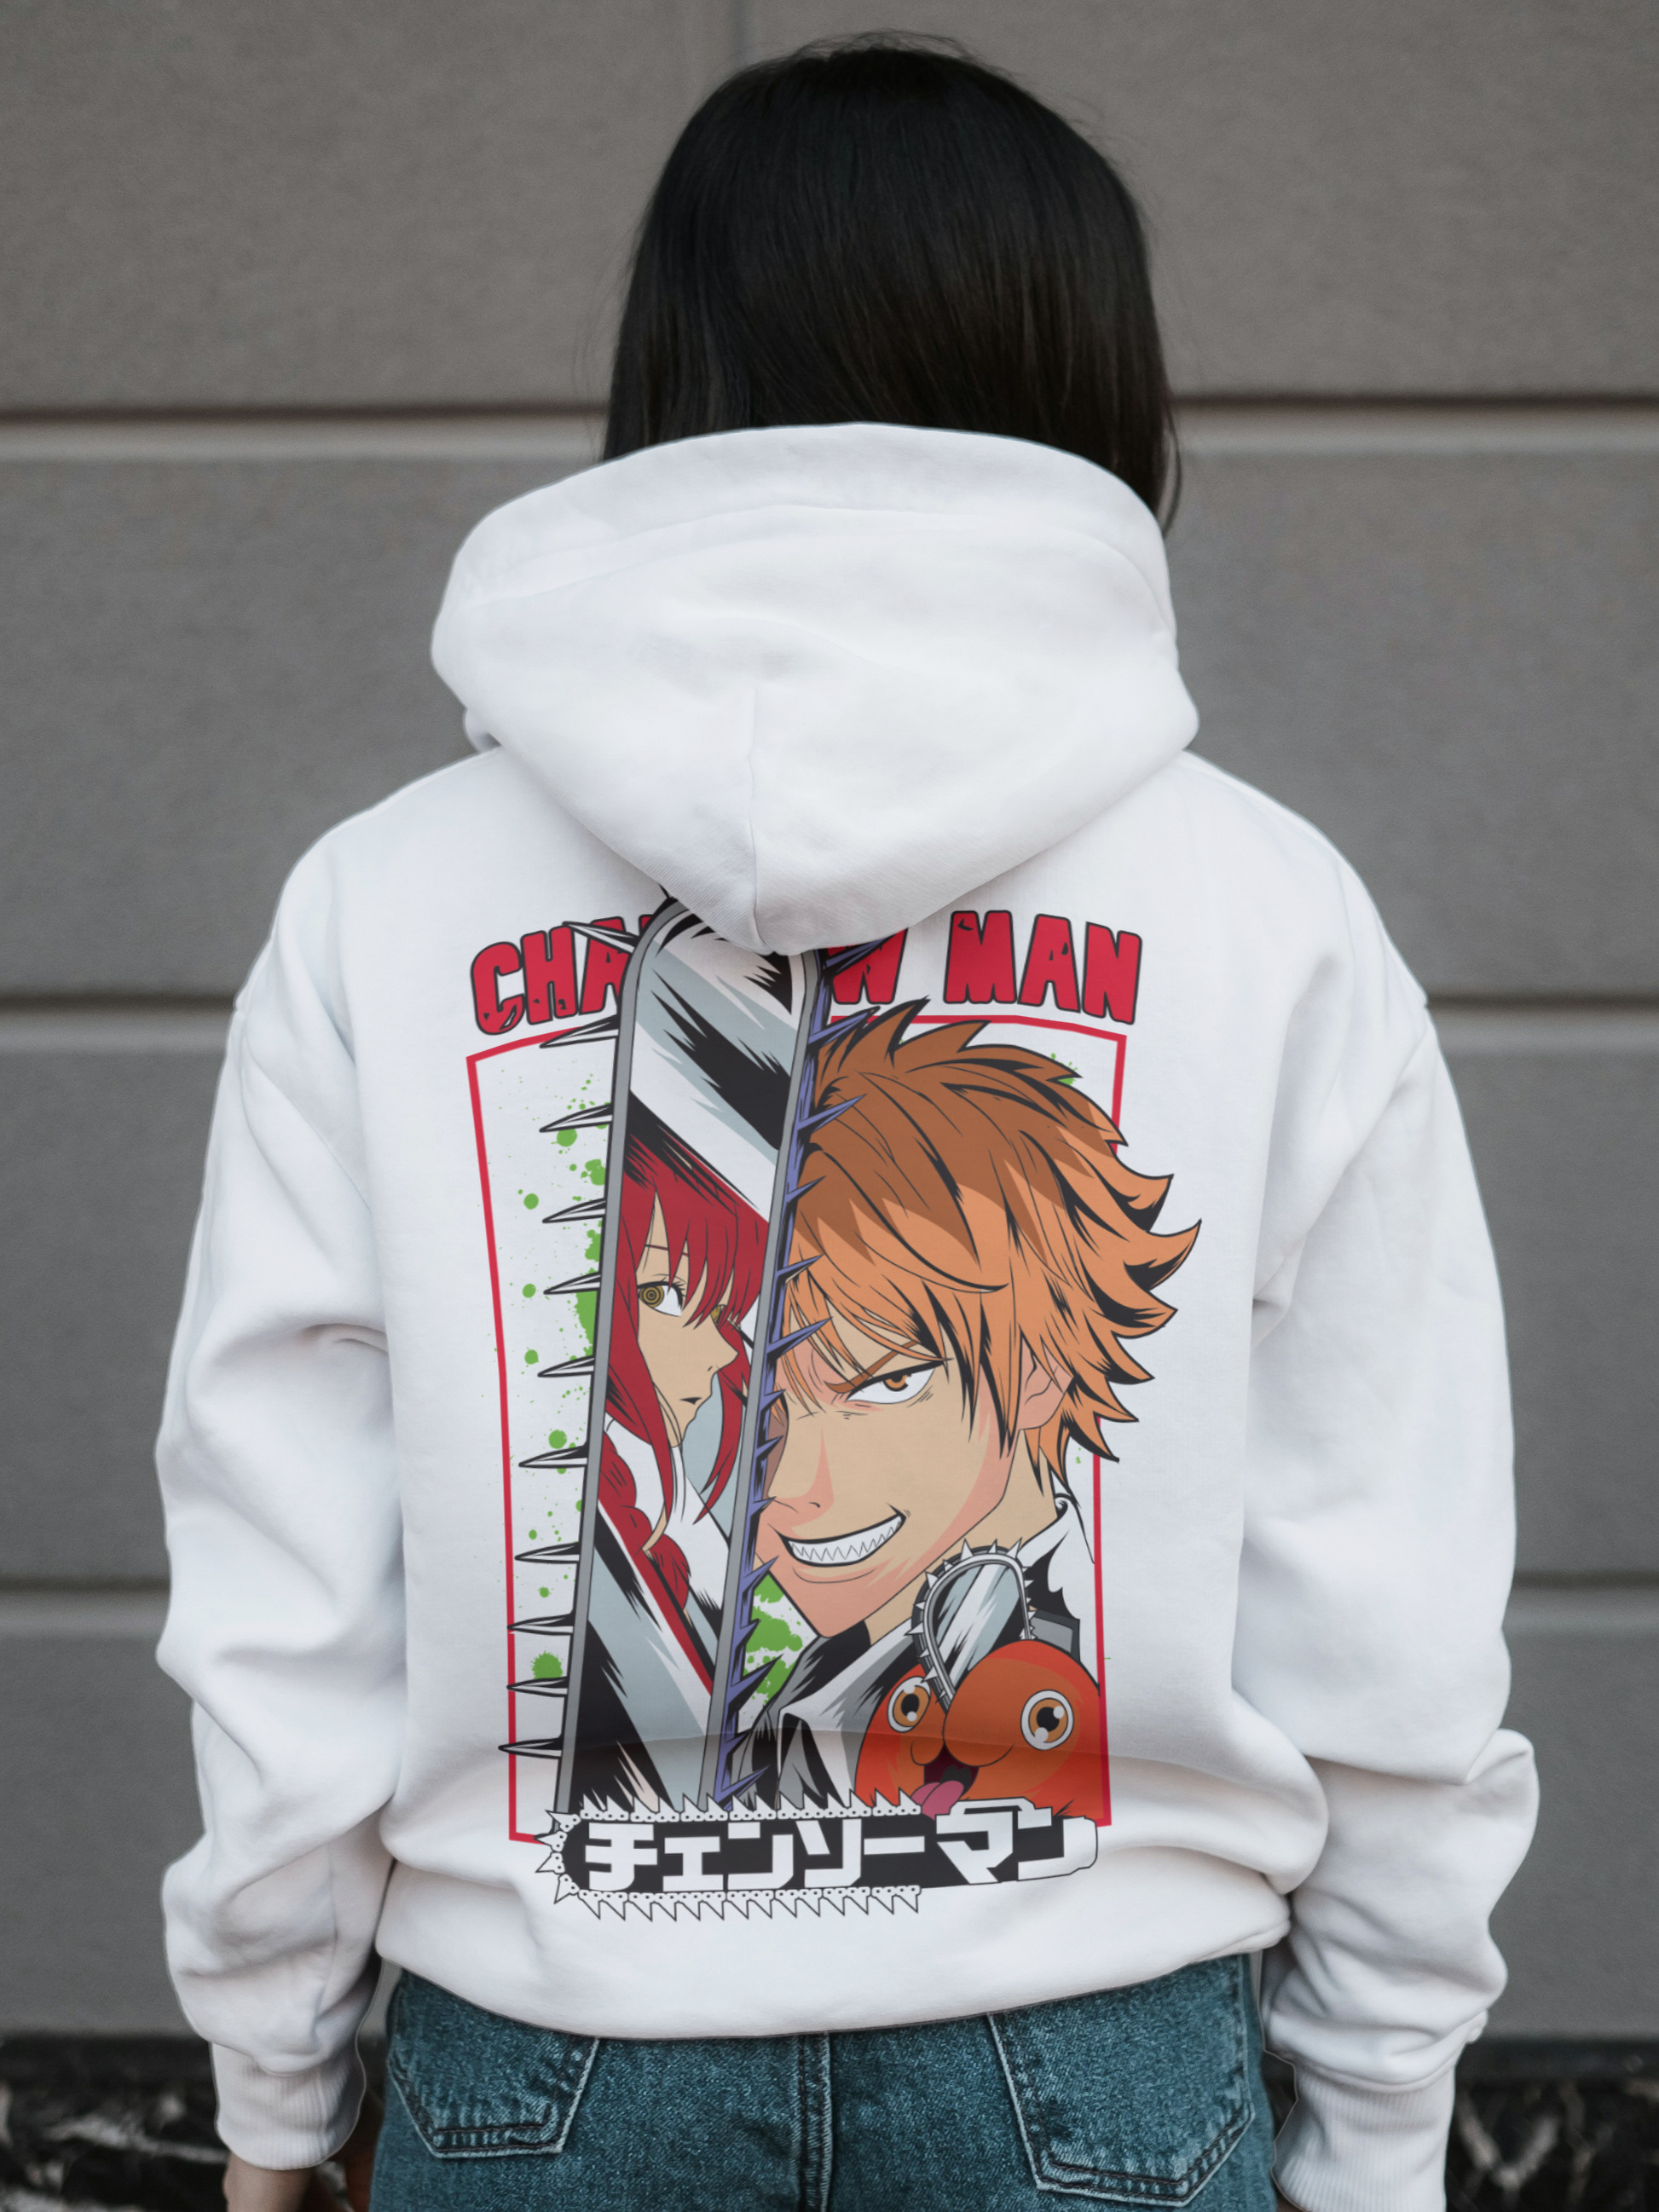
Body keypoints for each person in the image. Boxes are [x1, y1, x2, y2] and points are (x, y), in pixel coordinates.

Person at [155, 35, 1537, 2212]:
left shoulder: (382, 899)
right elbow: (1387, 1584)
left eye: (876, 1377)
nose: (774, 1464)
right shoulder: (1269, 906)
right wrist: (1374, 2122)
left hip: (544, 2060)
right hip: (1099, 2058)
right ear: (1097, 385)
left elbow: (285, 1569)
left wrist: (274, 2076)